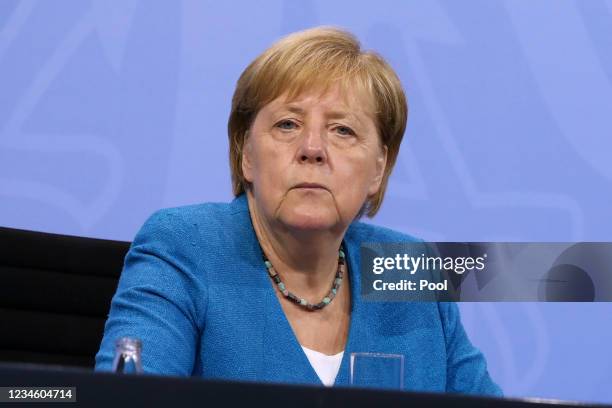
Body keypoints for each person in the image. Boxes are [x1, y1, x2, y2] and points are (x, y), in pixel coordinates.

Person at [95, 26, 502, 395]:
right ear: (246, 155)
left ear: (379, 168)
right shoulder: (185, 247)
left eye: (343, 130)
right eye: (287, 124)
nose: (312, 149)